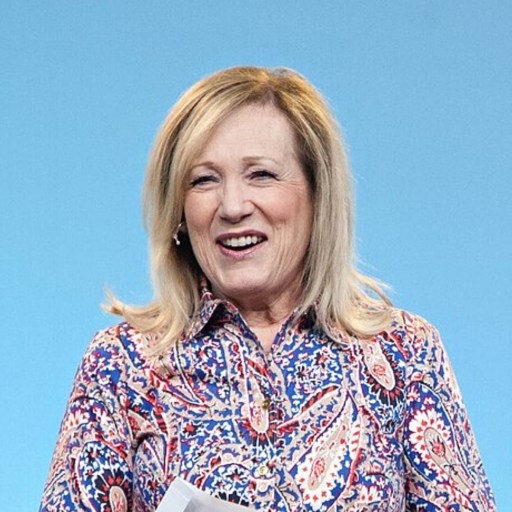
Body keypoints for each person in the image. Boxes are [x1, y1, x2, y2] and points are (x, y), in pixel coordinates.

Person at [40, 66, 495, 511]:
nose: (232, 206)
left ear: (317, 194)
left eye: (261, 174)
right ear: (178, 209)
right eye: (204, 180)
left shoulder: (406, 352)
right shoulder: (120, 363)